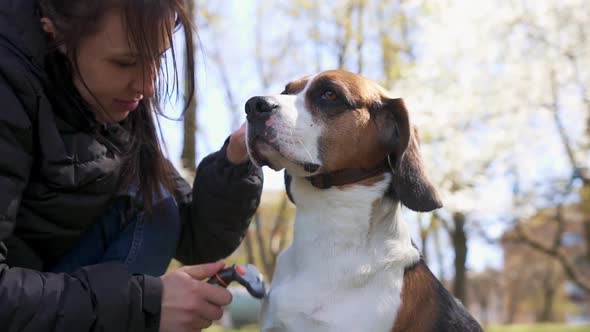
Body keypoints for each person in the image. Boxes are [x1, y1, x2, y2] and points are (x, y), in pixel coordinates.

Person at [0, 0, 263, 331]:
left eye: (159, 58)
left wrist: (235, 165)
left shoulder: (111, 99)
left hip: (47, 297)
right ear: (54, 27)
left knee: (158, 206)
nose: (148, 86)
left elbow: (192, 236)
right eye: (125, 62)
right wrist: (142, 307)